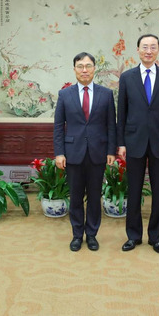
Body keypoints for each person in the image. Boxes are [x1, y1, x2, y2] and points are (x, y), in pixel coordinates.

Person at [117, 34, 159, 255]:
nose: (148, 51)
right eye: (145, 47)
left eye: (153, 47)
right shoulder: (127, 78)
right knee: (133, 192)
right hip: (133, 142)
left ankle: (156, 238)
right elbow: (121, 113)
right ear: (137, 50)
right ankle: (133, 236)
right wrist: (121, 143)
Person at [54, 52, 117, 252]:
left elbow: (111, 126)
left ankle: (91, 235)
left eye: (88, 66)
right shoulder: (64, 95)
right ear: (74, 69)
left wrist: (111, 151)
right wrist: (59, 153)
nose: (84, 70)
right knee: (75, 197)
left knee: (94, 197)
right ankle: (76, 235)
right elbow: (58, 126)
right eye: (80, 66)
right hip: (72, 153)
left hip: (98, 153)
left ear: (94, 69)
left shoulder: (106, 94)